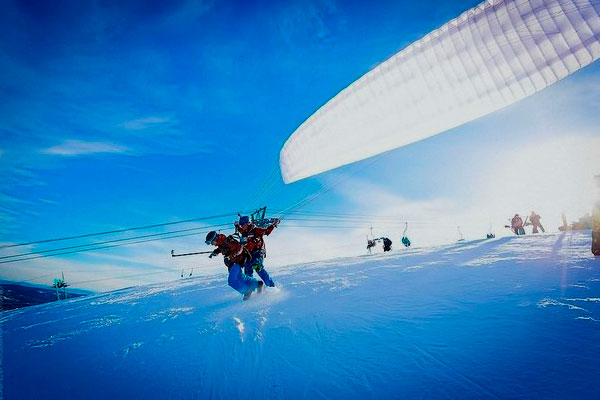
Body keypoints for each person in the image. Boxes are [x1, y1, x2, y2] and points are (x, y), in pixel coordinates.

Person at [206, 230, 263, 300]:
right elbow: (223, 248)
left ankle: (247, 291)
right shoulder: (222, 243)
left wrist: (230, 256)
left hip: (235, 262)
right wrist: (215, 252)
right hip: (233, 263)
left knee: (232, 281)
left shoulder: (226, 241)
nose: (212, 244)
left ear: (215, 239)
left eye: (211, 242)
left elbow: (239, 248)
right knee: (241, 278)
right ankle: (257, 284)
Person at [234, 216, 279, 287]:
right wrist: (236, 225)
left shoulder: (256, 230)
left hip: (258, 252)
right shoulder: (243, 231)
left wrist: (273, 224)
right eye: (241, 225)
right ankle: (250, 287)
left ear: (248, 223)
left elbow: (267, 231)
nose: (241, 226)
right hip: (249, 254)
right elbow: (239, 229)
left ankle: (271, 286)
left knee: (258, 268)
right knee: (247, 270)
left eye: (243, 225)